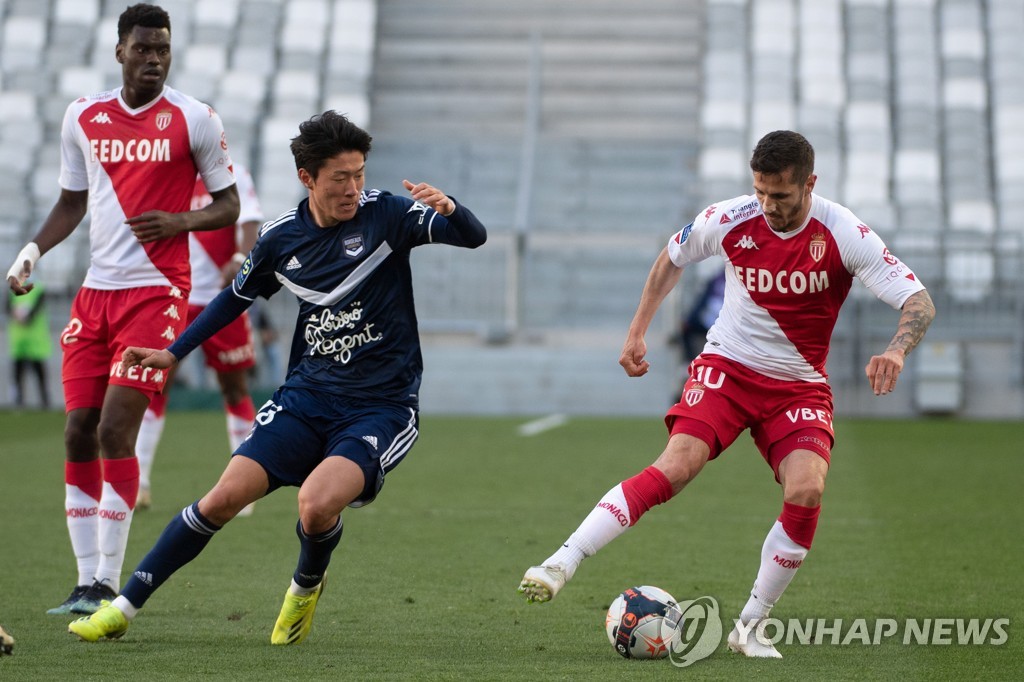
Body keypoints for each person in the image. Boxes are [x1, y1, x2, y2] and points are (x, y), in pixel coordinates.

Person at [68, 110, 487, 645]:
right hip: (306, 398)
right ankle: (122, 607)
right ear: (307, 178)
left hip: (381, 406)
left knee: (314, 505)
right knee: (221, 499)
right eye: (341, 177)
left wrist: (451, 207)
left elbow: (472, 237)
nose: (354, 187)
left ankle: (305, 587)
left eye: (359, 173)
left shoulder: (387, 215)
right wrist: (174, 353)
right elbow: (231, 301)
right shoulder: (280, 239)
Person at [518, 130, 936, 659]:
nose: (768, 206)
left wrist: (898, 349)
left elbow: (918, 301)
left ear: (810, 183)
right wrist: (637, 331)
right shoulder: (732, 217)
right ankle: (561, 560)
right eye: (760, 192)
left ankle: (751, 626)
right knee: (677, 466)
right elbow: (672, 257)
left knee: (806, 489)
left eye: (780, 196)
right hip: (728, 368)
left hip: (799, 385)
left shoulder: (843, 232)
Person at [6, 3, 239, 616]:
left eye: (163, 48)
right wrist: (32, 250)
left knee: (115, 429)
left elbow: (230, 205)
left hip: (159, 294)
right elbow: (70, 201)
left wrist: (181, 220)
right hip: (95, 295)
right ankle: (84, 582)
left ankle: (110, 582)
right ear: (120, 52)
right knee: (78, 431)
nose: (154, 58)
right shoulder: (83, 116)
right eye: (143, 48)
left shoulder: (194, 118)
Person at [135, 163, 265, 514]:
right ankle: (139, 483)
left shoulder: (232, 173)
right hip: (174, 297)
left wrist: (239, 258)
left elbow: (250, 223)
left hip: (222, 300)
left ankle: (243, 491)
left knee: (234, 388)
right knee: (157, 385)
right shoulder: (167, 173)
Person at [7, 280, 53, 408]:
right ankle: (18, 402)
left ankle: (45, 402)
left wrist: (25, 316)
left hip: (35, 340)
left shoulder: (39, 289)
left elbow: (35, 310)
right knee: (17, 374)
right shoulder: (13, 290)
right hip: (19, 340)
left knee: (39, 373)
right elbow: (8, 307)